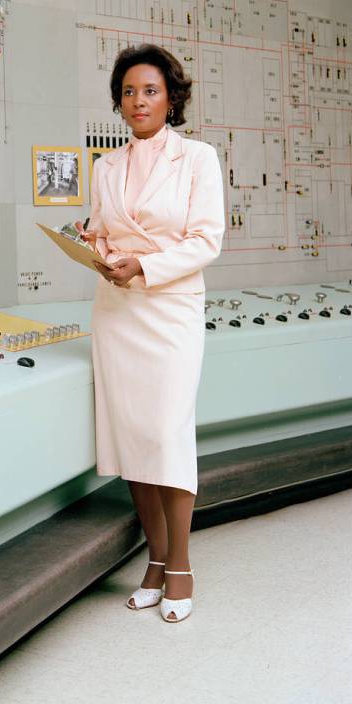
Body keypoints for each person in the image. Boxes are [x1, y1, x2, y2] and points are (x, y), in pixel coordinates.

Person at [75, 43, 224, 623]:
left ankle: (182, 564)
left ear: (172, 98)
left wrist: (144, 265)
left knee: (166, 433)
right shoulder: (105, 166)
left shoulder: (198, 159)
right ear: (119, 101)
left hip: (169, 309)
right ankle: (156, 559)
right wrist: (95, 247)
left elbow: (207, 239)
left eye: (151, 91)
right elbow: (103, 231)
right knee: (132, 435)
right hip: (116, 311)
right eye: (130, 91)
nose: (139, 101)